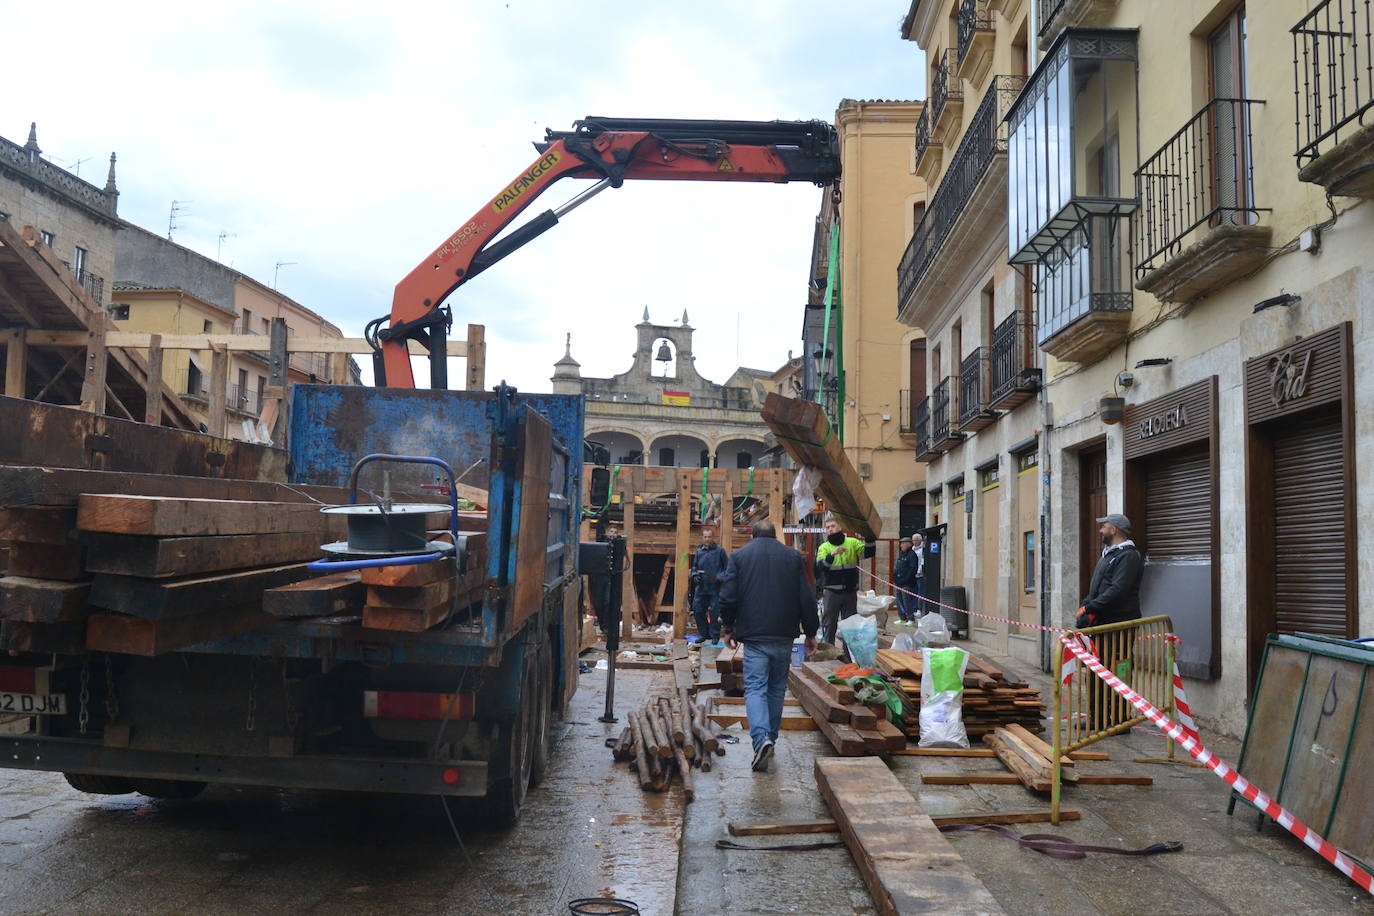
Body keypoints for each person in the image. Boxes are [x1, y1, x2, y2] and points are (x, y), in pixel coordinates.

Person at [719, 520, 819, 772]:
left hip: (754, 637)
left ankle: (761, 739)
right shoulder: (793, 557)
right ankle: (770, 738)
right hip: (784, 635)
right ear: (776, 536)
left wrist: (728, 627)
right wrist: (810, 632)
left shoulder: (740, 557)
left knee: (755, 689)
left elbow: (728, 595)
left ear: (753, 535)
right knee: (776, 690)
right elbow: (806, 596)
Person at [1077, 513, 1144, 731]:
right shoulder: (1109, 555)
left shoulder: (1128, 556)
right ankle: (1098, 718)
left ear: (1114, 530)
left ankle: (1118, 720)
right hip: (1104, 625)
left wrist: (1091, 607)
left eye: (1103, 526)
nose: (1100, 530)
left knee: (1117, 672)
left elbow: (1118, 590)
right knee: (1097, 672)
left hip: (1119, 625)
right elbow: (1099, 587)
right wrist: (1085, 607)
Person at [814, 516, 876, 646]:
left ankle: (849, 655)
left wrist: (870, 538)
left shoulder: (852, 543)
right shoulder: (824, 547)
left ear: (840, 527)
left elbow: (867, 553)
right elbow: (821, 567)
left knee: (851, 626)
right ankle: (829, 651)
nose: (830, 529)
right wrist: (832, 555)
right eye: (828, 527)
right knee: (829, 624)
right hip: (832, 592)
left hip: (850, 592)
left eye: (833, 526)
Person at [689, 525, 728, 645]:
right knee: (698, 610)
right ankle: (704, 634)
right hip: (701, 587)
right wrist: (695, 575)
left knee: (714, 612)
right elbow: (695, 566)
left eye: (709, 537)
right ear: (702, 538)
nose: (707, 539)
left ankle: (714, 635)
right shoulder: (699, 551)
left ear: (713, 537)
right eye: (705, 537)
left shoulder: (720, 551)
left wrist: (719, 578)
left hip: (715, 587)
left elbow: (727, 568)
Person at [893, 536, 923, 622]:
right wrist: (895, 578)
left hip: (907, 583)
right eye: (901, 543)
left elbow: (912, 569)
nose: (901, 545)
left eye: (903, 543)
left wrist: (904, 580)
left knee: (907, 601)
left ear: (908, 544)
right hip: (899, 583)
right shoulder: (901, 554)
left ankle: (910, 618)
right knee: (899, 600)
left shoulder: (912, 555)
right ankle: (902, 618)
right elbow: (897, 567)